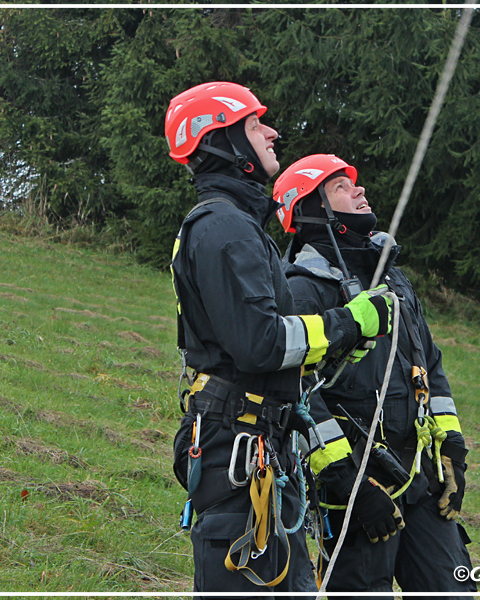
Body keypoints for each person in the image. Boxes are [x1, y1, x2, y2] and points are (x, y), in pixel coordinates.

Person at [165, 83, 392, 596]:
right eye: (253, 125)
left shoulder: (238, 225)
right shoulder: (224, 226)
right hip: (239, 453)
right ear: (221, 141)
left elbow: (268, 351)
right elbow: (260, 343)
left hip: (261, 448)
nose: (271, 132)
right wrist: (348, 322)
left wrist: (332, 349)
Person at [274, 153, 475, 598]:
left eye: (354, 183)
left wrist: (452, 446)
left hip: (421, 479)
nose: (360, 189)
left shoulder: (395, 280)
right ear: (312, 211)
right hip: (357, 488)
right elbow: (297, 393)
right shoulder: (301, 288)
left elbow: (431, 364)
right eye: (340, 187)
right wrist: (347, 483)